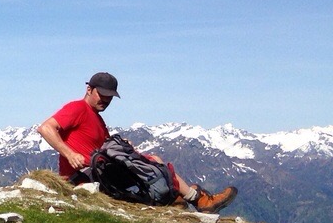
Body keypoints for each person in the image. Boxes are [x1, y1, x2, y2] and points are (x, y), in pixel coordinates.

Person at [38, 71, 237, 214]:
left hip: (100, 173)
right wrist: (69, 154)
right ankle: (199, 200)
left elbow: (102, 147)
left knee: (149, 160)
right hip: (84, 176)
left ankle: (178, 198)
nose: (106, 100)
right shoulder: (78, 108)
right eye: (102, 94)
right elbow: (46, 128)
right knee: (152, 162)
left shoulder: (96, 118)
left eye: (110, 96)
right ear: (89, 89)